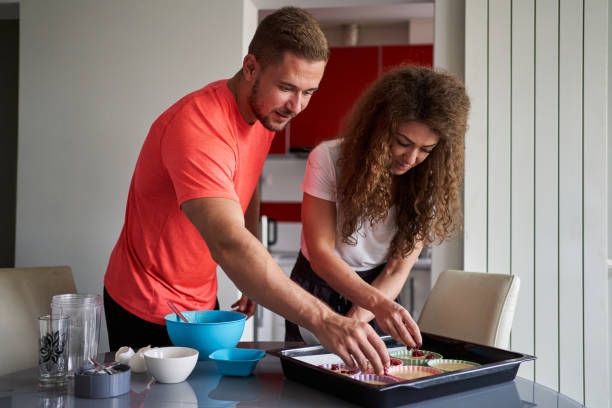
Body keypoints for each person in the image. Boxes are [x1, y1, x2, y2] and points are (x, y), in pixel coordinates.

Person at [103, 7, 408, 375]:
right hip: (145, 300)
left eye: (309, 91)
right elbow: (229, 243)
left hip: (199, 298)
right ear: (251, 68)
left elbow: (242, 189)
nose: (297, 106)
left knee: (203, 395)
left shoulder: (264, 115)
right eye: (287, 88)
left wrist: (251, 265)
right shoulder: (199, 129)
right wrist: (324, 320)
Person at [285, 66, 470, 344]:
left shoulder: (431, 182)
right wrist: (369, 309)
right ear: (379, 129)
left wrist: (356, 320)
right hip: (317, 285)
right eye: (402, 142)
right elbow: (321, 254)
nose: (411, 157)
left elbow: (397, 269)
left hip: (380, 294)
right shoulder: (328, 159)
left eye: (426, 149)